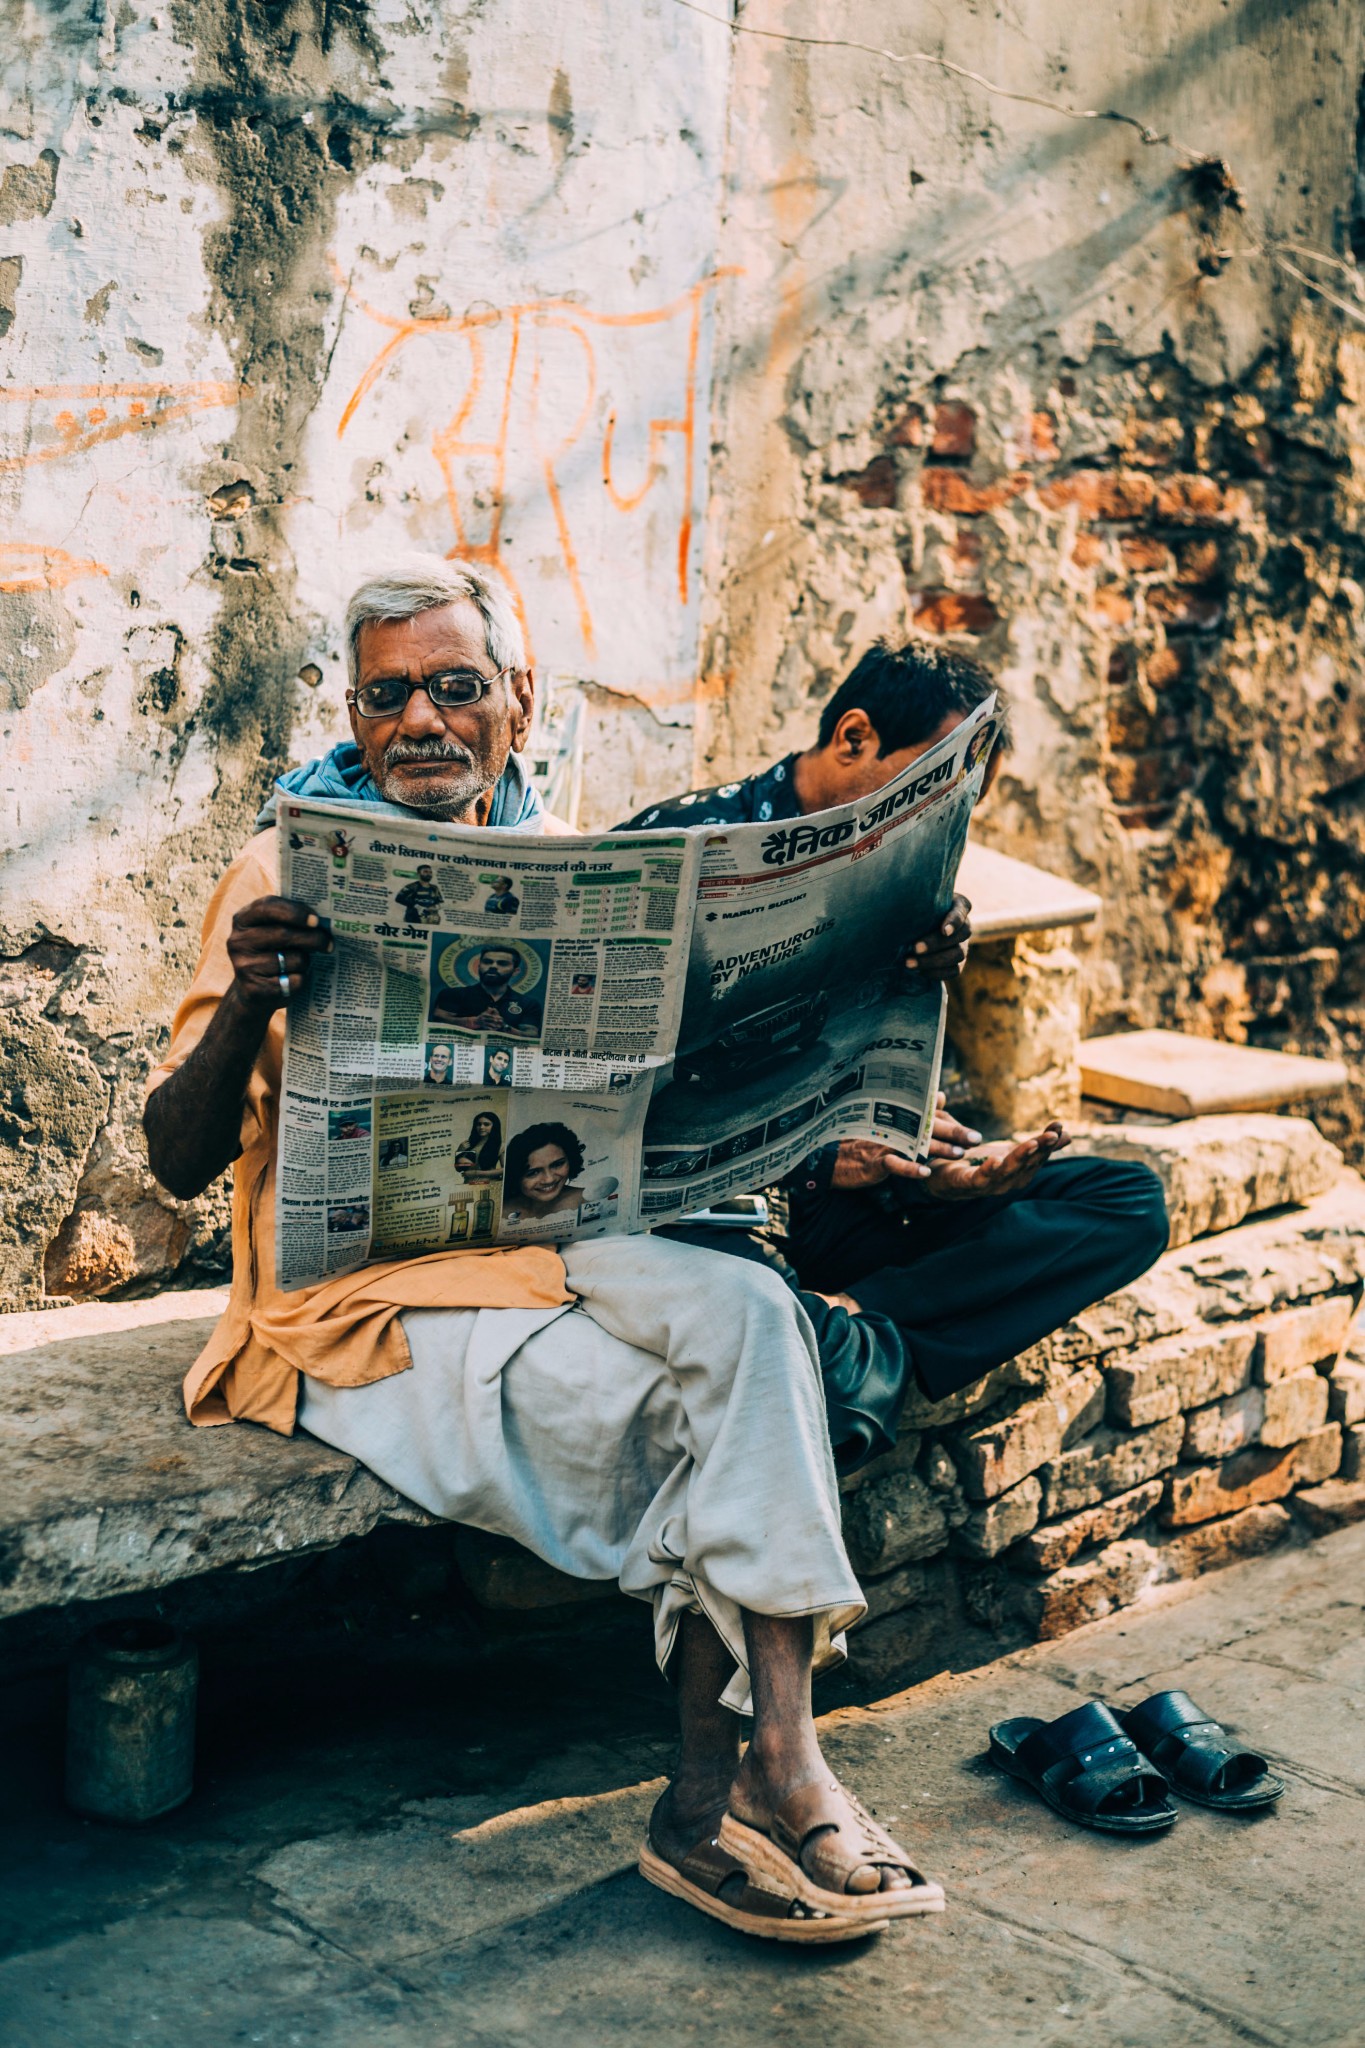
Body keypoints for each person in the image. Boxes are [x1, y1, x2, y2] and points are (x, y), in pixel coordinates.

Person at [143, 553, 946, 1941]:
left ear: (518, 698)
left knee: (756, 1320)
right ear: (353, 708)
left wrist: (879, 973)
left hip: (566, 1233)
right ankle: (720, 1796)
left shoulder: (587, 867)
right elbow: (173, 1157)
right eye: (387, 695)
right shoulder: (283, 870)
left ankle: (767, 1767)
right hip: (368, 1289)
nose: (420, 723)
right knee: (701, 1415)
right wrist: (247, 1009)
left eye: (456, 688)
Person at [624, 639, 1169, 1468]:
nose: (936, 828)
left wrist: (925, 1156)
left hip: (851, 1215)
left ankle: (857, 1315)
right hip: (722, 1214)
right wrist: (813, 1160)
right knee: (773, 1335)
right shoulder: (679, 846)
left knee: (1124, 1199)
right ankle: (845, 1340)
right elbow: (624, 1108)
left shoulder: (905, 874)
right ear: (852, 737)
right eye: (923, 797)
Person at [430, 942, 543, 1038]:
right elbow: (439, 1019)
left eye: (502, 963)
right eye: (487, 962)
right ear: (479, 966)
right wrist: (474, 1022)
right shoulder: (452, 994)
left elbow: (532, 1035)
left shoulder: (529, 1003)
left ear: (515, 971)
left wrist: (504, 1027)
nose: (493, 966)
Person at [502, 1121, 585, 1221]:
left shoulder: (587, 1199)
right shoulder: (502, 1209)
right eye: (533, 1173)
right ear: (515, 1177)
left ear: (571, 1160)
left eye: (557, 1164)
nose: (549, 1179)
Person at [455, 1110, 503, 1177]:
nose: (481, 1127)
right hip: (469, 1184)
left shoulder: (500, 1146)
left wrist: (477, 1173)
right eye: (478, 1124)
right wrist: (460, 1150)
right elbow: (458, 1169)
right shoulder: (468, 1144)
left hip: (489, 1184)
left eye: (486, 1124)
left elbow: (505, 1169)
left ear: (494, 1126)